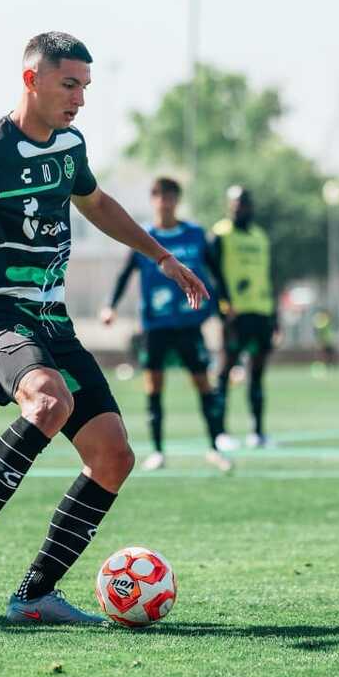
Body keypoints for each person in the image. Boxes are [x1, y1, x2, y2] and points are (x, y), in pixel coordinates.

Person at [0, 32, 207, 625]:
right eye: (69, 84)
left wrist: (161, 257)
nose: (79, 98)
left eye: (85, 87)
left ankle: (35, 595)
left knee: (114, 456)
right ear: (31, 79)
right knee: (48, 400)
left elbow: (96, 203)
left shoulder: (69, 145)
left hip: (50, 319)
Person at [100, 176, 230, 473]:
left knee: (203, 383)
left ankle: (214, 446)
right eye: (159, 196)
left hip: (188, 323)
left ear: (177, 200)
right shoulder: (143, 238)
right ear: (153, 199)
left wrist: (224, 305)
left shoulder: (195, 235)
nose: (165, 201)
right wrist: (110, 306)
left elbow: (216, 272)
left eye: (170, 196)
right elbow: (124, 275)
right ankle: (158, 450)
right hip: (155, 325)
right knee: (154, 385)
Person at [208, 186, 279, 448]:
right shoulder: (219, 234)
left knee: (257, 373)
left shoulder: (260, 237)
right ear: (230, 207)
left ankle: (258, 432)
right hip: (234, 315)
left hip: (261, 312)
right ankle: (221, 433)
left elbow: (268, 277)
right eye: (236, 205)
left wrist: (275, 316)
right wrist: (223, 308)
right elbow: (212, 275)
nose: (240, 210)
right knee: (225, 371)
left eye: (244, 205)